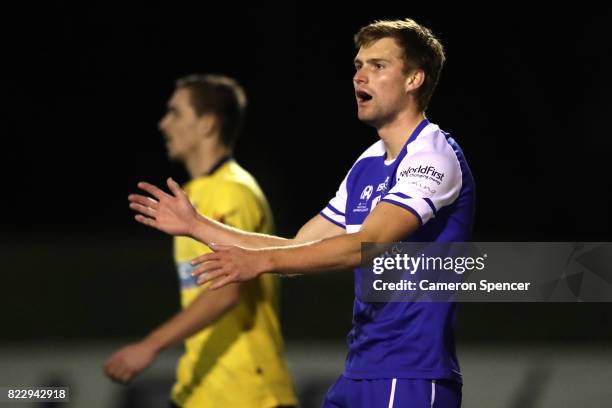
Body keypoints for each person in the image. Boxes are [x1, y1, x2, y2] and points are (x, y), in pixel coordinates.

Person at [129, 18, 475, 408]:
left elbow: (365, 244)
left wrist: (259, 262)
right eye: (358, 65)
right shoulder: (368, 163)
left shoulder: (433, 154)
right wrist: (196, 225)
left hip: (410, 375)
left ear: (414, 79)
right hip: (360, 370)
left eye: (378, 66)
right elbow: (298, 249)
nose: (361, 76)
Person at [104, 74, 297, 408]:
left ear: (207, 124)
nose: (164, 124)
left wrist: (149, 345)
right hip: (201, 389)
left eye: (176, 113)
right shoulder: (194, 196)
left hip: (247, 394)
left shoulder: (230, 190)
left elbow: (226, 293)